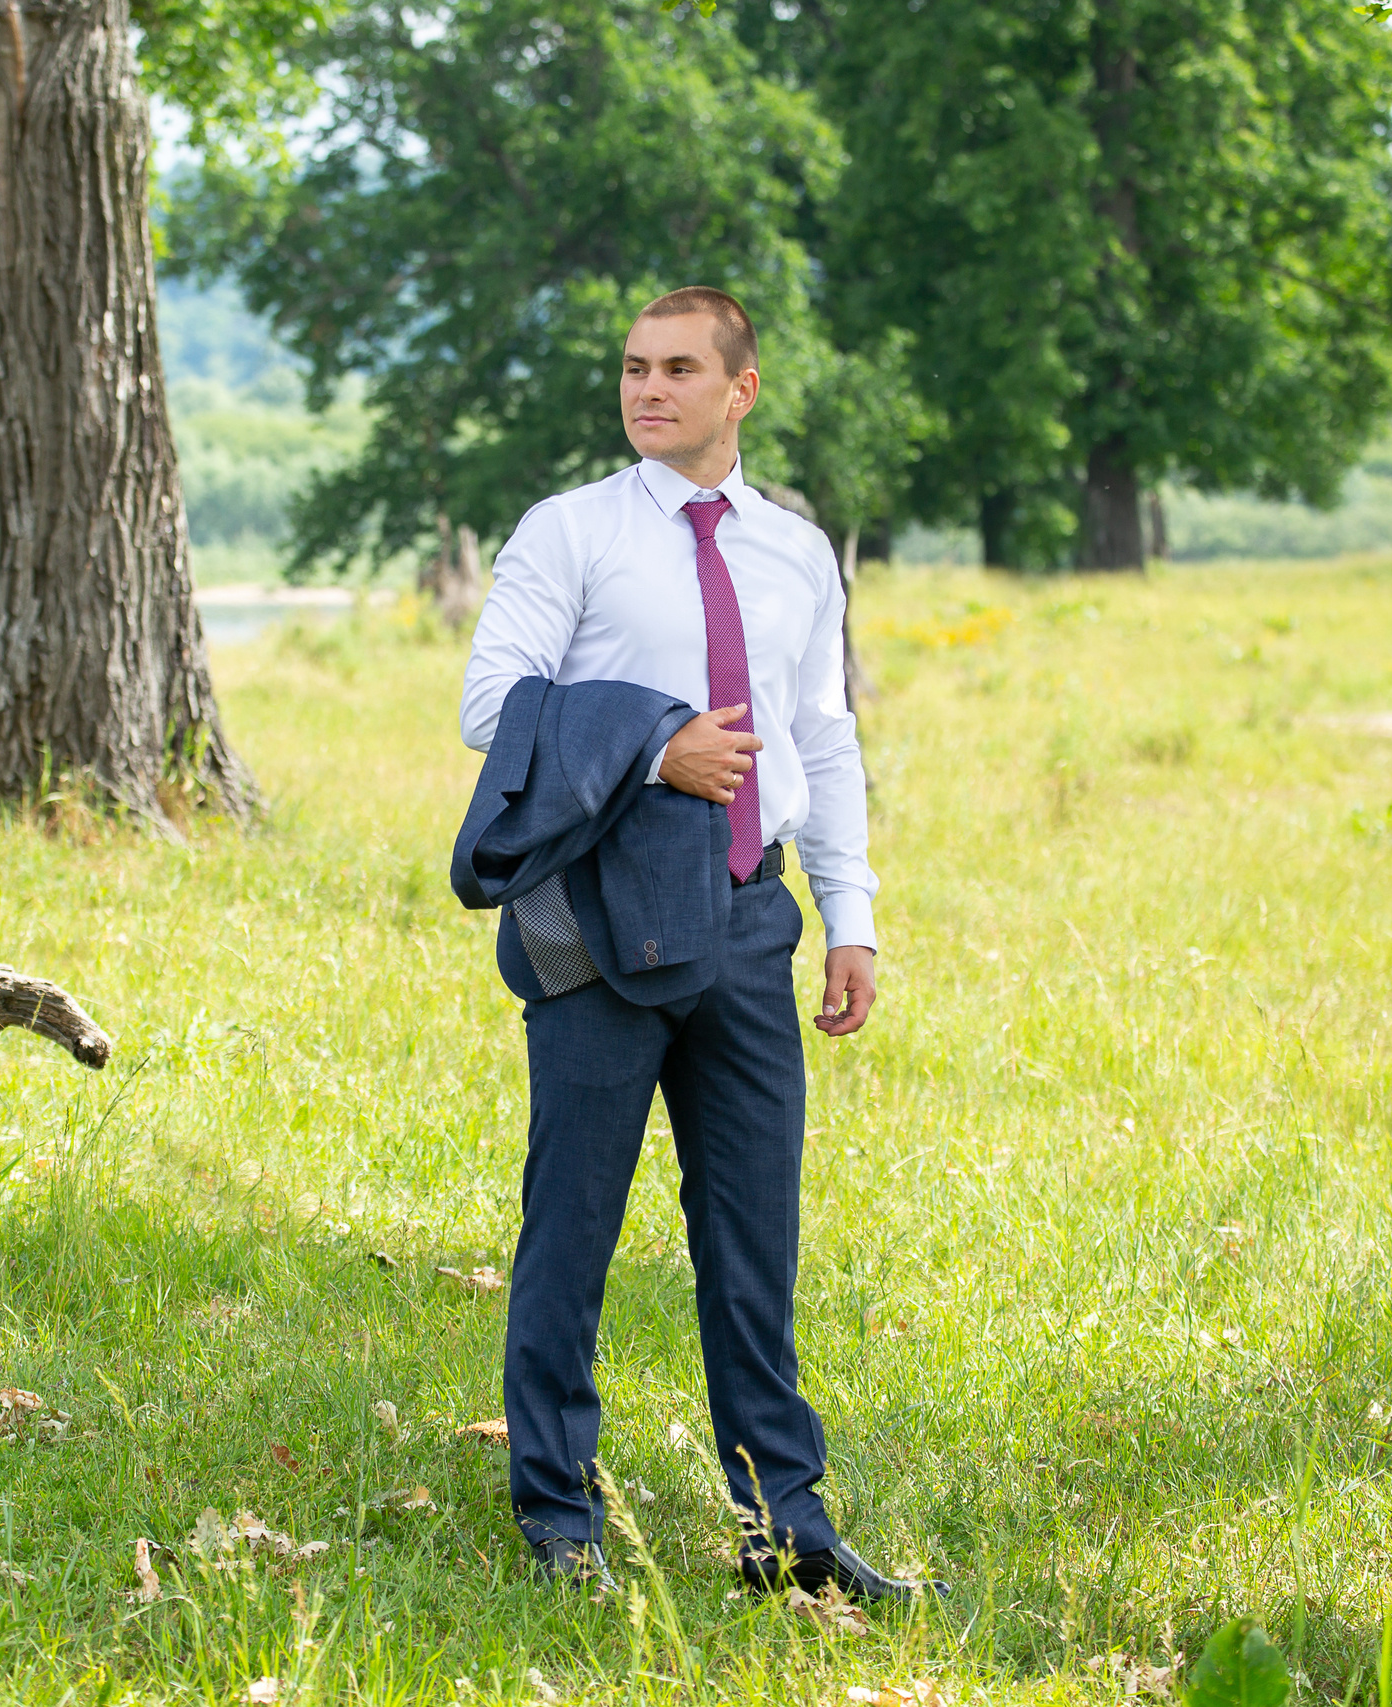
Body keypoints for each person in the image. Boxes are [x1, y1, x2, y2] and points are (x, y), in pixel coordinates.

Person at [457, 285, 941, 1604]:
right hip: (602, 923)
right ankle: (557, 1518)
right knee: (573, 1229)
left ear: (743, 389)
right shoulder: (572, 533)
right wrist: (651, 740)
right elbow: (492, 703)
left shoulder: (794, 552)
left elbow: (821, 736)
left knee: (751, 1240)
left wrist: (854, 920)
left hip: (748, 925)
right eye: (632, 369)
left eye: (678, 369)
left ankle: (788, 1532)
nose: (647, 389)